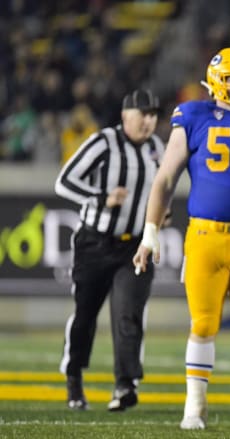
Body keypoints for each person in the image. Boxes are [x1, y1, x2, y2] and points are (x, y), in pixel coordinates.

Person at [132, 47, 230, 431]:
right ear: (215, 82)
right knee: (202, 323)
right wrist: (149, 234)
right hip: (205, 237)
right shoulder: (193, 115)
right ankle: (195, 405)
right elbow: (166, 179)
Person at [55, 89, 164, 411]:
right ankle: (74, 378)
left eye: (153, 115)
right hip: (95, 242)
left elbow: (164, 187)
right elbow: (64, 181)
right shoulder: (104, 142)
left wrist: (160, 215)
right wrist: (101, 196)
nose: (148, 121)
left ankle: (125, 385)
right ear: (125, 115)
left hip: (135, 245)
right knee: (85, 314)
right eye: (142, 114)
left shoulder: (158, 148)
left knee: (129, 312)